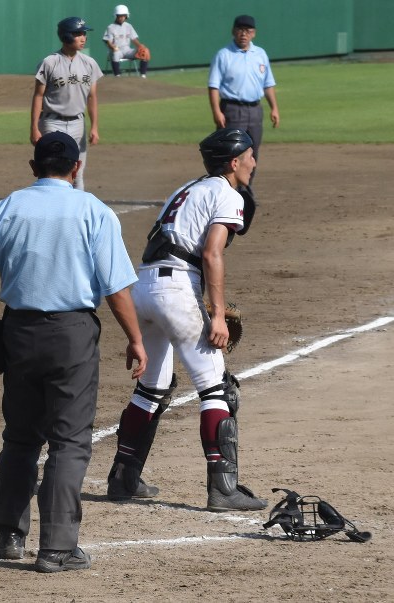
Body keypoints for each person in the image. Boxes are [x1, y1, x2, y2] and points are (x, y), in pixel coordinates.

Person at [0, 131, 147, 573]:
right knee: (69, 441)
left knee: (20, 437)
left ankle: (9, 534)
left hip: (18, 333)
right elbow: (116, 289)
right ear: (76, 168)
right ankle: (57, 547)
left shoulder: (6, 208)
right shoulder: (94, 210)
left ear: (32, 166)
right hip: (72, 335)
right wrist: (135, 338)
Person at [105, 128, 267, 512]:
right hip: (176, 289)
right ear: (233, 162)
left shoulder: (187, 189)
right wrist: (217, 314)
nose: (253, 162)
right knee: (216, 387)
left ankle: (123, 477)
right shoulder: (226, 193)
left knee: (151, 388)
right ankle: (223, 489)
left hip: (143, 286)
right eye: (249, 156)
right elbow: (212, 254)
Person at [30, 17, 103, 192]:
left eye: (84, 34)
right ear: (66, 36)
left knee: (77, 174)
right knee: (51, 173)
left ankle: (77, 214)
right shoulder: (50, 62)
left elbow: (92, 97)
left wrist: (94, 127)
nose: (83, 37)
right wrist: (34, 127)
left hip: (78, 123)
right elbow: (38, 95)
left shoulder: (89, 63)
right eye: (78, 33)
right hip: (52, 122)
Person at [208, 15, 279, 188]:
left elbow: (268, 84)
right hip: (232, 109)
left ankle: (246, 191)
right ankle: (224, 190)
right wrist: (216, 111)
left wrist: (274, 108)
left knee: (251, 153)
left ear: (253, 33)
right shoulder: (224, 55)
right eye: (240, 30)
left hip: (255, 110)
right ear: (233, 31)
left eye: (248, 31)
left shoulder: (260, 54)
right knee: (231, 153)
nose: (244, 34)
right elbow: (213, 86)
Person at [102, 5, 149, 78]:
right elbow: (108, 42)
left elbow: (134, 39)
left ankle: (143, 75)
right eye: (119, 16)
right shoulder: (110, 27)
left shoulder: (128, 26)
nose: (121, 17)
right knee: (116, 53)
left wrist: (140, 46)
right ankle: (117, 76)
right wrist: (113, 47)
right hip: (116, 50)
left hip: (127, 50)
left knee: (144, 51)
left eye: (123, 16)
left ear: (126, 16)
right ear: (116, 16)